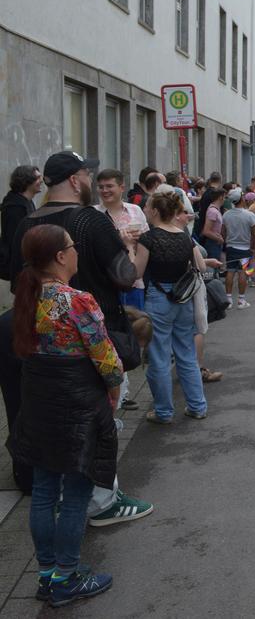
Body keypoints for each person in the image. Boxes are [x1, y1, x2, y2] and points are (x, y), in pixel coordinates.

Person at [7, 151, 154, 528]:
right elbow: (125, 276)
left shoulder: (27, 222)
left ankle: (62, 499)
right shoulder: (90, 220)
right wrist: (137, 247)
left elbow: (15, 279)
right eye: (87, 175)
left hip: (41, 345)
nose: (91, 181)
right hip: (92, 337)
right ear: (75, 180)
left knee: (56, 425)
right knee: (100, 423)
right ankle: (103, 501)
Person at [9, 225, 120, 607]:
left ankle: (47, 574)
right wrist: (114, 388)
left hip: (39, 402)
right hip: (77, 403)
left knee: (44, 490)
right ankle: (67, 577)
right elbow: (105, 355)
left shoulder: (26, 295)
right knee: (76, 490)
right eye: (72, 247)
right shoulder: (77, 300)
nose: (75, 253)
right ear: (60, 256)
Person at [133, 191, 210, 423]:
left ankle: (164, 411)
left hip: (158, 296)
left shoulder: (148, 238)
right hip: (184, 297)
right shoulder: (184, 236)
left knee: (159, 357)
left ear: (156, 211)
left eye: (147, 207)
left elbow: (136, 273)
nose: (145, 210)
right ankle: (197, 406)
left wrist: (128, 247)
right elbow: (201, 267)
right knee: (186, 354)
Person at [95, 169, 149, 310]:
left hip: (134, 282)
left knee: (136, 321)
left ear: (122, 187)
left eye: (109, 186)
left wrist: (141, 238)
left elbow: (148, 241)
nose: (105, 191)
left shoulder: (136, 210)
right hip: (103, 283)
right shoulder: (93, 213)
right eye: (101, 187)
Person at [0, 164, 42, 280]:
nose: (41, 181)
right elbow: (14, 240)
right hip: (18, 266)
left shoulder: (26, 202)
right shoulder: (15, 208)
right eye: (37, 178)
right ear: (27, 182)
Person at [222, 188, 255, 309]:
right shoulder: (249, 215)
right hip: (245, 248)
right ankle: (241, 300)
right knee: (243, 272)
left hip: (231, 247)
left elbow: (223, 232)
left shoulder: (226, 215)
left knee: (230, 271)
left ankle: (228, 299)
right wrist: (253, 247)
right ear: (242, 198)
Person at [199, 186, 227, 264]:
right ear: (221, 197)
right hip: (212, 243)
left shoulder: (215, 210)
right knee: (213, 266)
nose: (225, 200)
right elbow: (206, 231)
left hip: (215, 242)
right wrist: (219, 239)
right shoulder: (213, 211)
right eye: (224, 197)